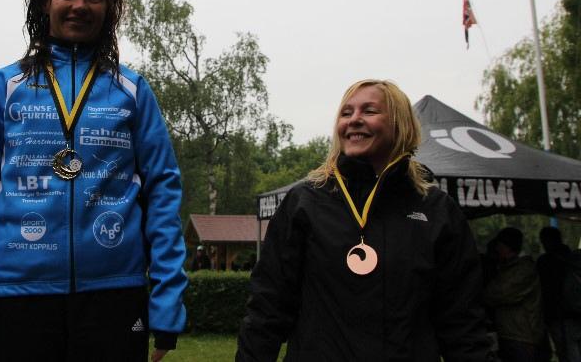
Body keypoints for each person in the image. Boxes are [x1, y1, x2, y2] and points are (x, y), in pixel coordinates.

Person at [0, 0, 187, 362]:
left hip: (115, 297)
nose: (79, 5)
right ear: (46, 2)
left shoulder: (131, 90)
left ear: (108, 10)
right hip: (17, 298)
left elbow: (163, 194)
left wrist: (166, 305)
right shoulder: (4, 87)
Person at [236, 79, 490, 361]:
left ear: (401, 124)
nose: (354, 119)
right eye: (346, 113)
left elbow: (463, 323)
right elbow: (267, 309)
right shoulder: (304, 203)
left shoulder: (437, 210)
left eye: (369, 111)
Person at [484, 227, 545, 362]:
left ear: (507, 247)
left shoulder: (523, 269)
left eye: (499, 245)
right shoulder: (507, 269)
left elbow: (498, 293)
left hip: (522, 337)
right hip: (511, 334)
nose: (497, 249)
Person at [537, 226, 581, 362]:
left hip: (559, 318)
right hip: (577, 314)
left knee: (569, 355)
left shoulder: (545, 262)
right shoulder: (574, 259)